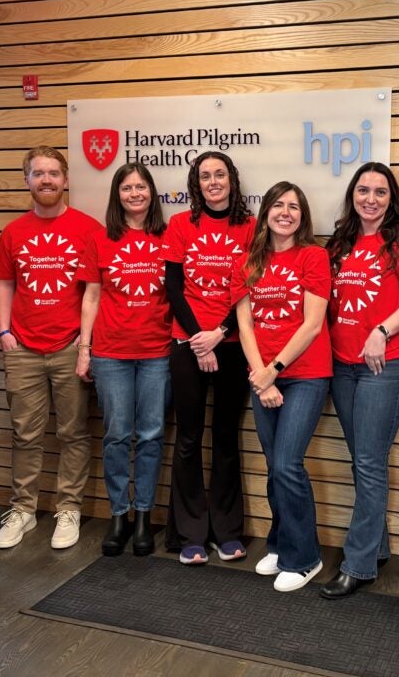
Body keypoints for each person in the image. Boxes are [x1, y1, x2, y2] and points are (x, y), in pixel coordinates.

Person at [321, 162, 399, 599]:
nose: (371, 199)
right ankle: (377, 546)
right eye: (363, 190)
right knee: (363, 460)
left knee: (368, 462)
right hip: (341, 365)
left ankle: (359, 563)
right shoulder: (340, 242)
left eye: (380, 192)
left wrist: (381, 331)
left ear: (392, 197)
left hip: (386, 365)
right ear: (352, 195)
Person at [0, 146, 103, 551]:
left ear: (66, 179)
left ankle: (68, 508)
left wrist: (85, 339)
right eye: (38, 173)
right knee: (25, 433)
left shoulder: (89, 228)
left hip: (70, 346)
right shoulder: (12, 231)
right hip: (21, 346)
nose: (47, 180)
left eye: (54, 173)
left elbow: (97, 290)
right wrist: (3, 331)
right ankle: (23, 509)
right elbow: (4, 283)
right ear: (27, 181)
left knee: (73, 432)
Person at [233, 181, 332, 592]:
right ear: (266, 213)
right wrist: (260, 377)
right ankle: (280, 543)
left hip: (306, 374)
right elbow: (244, 324)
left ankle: (305, 557)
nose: (285, 212)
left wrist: (273, 369)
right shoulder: (249, 260)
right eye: (278, 205)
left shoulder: (314, 255)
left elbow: (312, 323)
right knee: (275, 467)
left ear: (303, 215)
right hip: (264, 376)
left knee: (288, 464)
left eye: (293, 206)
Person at [160, 151, 255, 565]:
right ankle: (190, 532)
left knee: (225, 437)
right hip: (187, 343)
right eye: (205, 176)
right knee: (188, 437)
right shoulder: (181, 225)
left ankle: (227, 530)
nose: (213, 182)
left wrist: (219, 334)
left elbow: (250, 290)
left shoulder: (250, 228)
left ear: (232, 180)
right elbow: (173, 285)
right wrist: (199, 339)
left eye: (220, 174)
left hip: (233, 344)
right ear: (195, 184)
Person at [76, 163, 170, 557]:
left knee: (150, 435)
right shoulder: (101, 239)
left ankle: (144, 515)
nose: (135, 193)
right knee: (116, 436)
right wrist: (85, 350)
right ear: (117, 195)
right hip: (111, 352)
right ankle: (120, 514)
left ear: (152, 192)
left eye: (141, 186)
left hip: (157, 352)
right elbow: (92, 297)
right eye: (127, 187)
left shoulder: (170, 236)